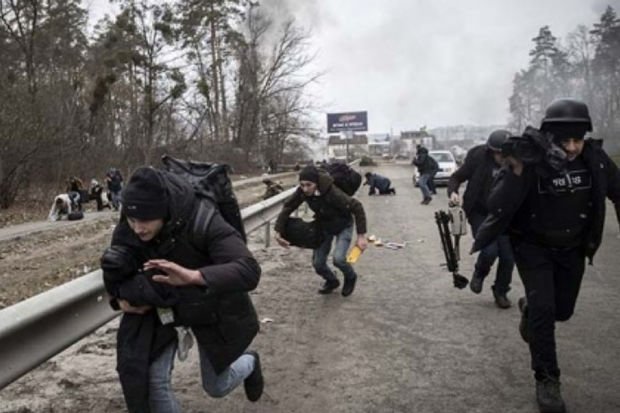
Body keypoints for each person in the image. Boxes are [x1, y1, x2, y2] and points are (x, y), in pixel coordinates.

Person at [472, 99, 620, 413]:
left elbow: (618, 191)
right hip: (533, 247)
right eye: (564, 141)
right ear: (549, 137)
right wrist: (516, 168)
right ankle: (547, 379)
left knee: (562, 311)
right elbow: (497, 203)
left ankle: (530, 313)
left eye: (577, 140)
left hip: (573, 248)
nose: (570, 148)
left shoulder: (594, 159)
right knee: (544, 311)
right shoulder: (531, 161)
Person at [100, 166, 264, 412]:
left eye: (145, 221)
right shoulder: (131, 224)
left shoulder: (204, 218)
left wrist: (194, 276)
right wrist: (117, 300)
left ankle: (250, 362)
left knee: (217, 387)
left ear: (164, 212)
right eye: (132, 220)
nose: (137, 229)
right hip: (164, 302)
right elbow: (117, 270)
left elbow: (249, 269)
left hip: (208, 301)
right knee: (153, 383)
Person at [273, 165, 368, 297]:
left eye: (309, 185)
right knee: (318, 264)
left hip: (343, 225)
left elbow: (357, 206)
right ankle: (332, 280)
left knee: (339, 259)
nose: (305, 189)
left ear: (316, 183)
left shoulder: (331, 191)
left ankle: (350, 276)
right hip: (324, 226)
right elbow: (288, 207)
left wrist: (361, 236)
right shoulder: (302, 191)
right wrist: (278, 231)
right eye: (302, 185)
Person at [447, 130, 514, 309]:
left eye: (506, 154)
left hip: (505, 215)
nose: (502, 158)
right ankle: (480, 273)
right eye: (499, 154)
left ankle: (501, 291)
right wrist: (453, 192)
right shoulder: (478, 158)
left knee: (508, 256)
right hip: (480, 212)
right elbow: (456, 177)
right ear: (492, 151)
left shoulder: (517, 163)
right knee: (490, 250)